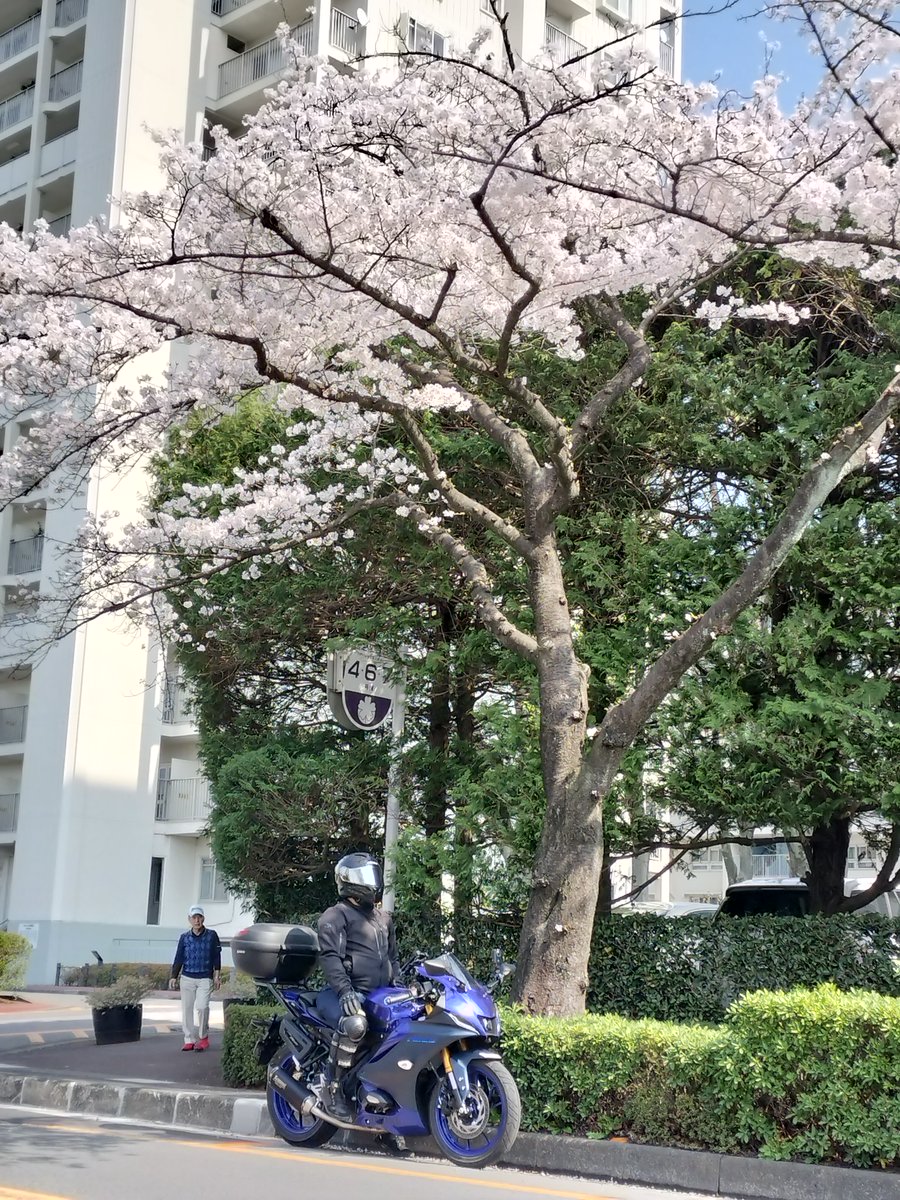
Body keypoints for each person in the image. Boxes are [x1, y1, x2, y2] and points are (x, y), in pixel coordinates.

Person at [315, 852, 401, 1121]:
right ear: (349, 881)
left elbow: (393, 958)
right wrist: (344, 992)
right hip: (342, 995)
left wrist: (399, 986)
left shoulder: (383, 918)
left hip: (377, 996)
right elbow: (330, 956)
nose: (372, 883)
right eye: (366, 876)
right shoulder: (336, 915)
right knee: (355, 1024)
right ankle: (333, 1088)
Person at [169, 905, 221, 1052]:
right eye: (194, 917)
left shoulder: (212, 935)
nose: (197, 920)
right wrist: (174, 976)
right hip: (187, 977)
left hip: (205, 976)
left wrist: (217, 976)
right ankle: (189, 1039)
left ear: (203, 919)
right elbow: (179, 957)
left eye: (199, 917)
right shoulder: (184, 937)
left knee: (202, 1007)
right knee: (186, 1009)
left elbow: (216, 956)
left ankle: (203, 1037)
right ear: (189, 919)